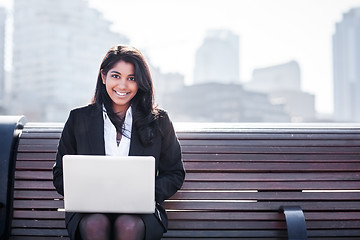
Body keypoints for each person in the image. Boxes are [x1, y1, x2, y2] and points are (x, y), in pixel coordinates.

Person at [53, 45, 185, 240]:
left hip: (141, 212)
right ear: (104, 76)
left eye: (131, 78)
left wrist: (144, 194)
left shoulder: (158, 121)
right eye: (116, 76)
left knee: (128, 224)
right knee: (95, 224)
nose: (123, 86)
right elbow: (60, 175)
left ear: (140, 82)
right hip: (88, 211)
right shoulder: (78, 119)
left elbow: (174, 173)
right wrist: (86, 193)